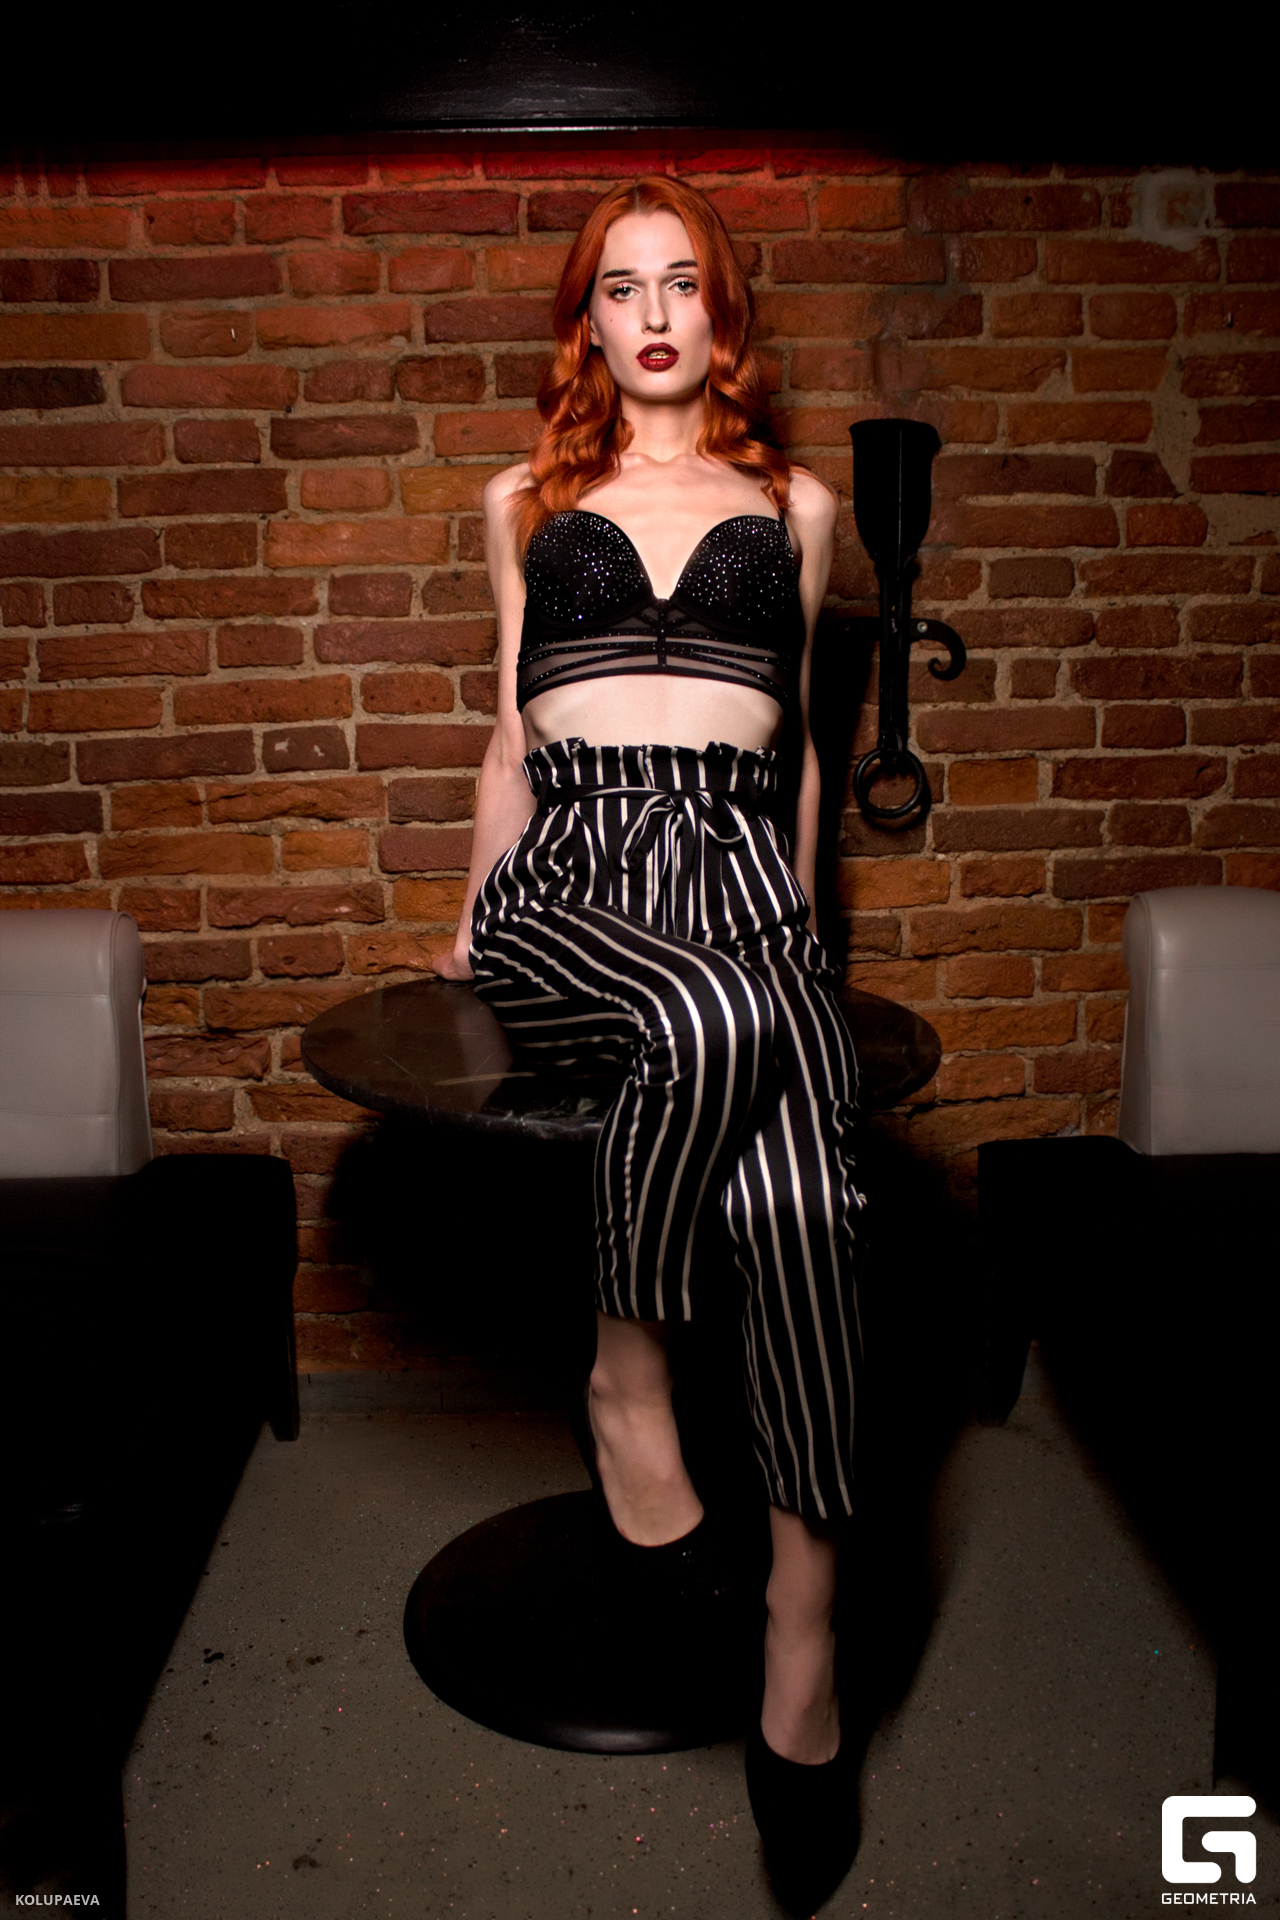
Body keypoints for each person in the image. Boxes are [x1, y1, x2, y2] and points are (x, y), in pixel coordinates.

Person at [433, 175, 862, 1914]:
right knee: (709, 1012)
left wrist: (806, 930)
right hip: (576, 876)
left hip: (743, 882)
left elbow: (803, 747)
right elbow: (508, 731)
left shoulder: (799, 506)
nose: (658, 314)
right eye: (624, 288)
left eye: (685, 283)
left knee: (811, 1205)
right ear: (589, 320)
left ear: (720, 311)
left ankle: (802, 1641)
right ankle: (629, 1374)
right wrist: (472, 914)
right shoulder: (525, 499)